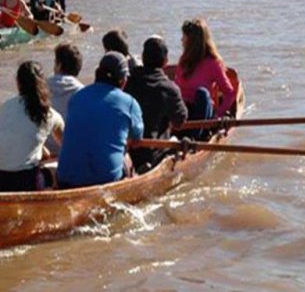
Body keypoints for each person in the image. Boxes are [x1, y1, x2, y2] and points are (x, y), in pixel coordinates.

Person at [57, 52, 144, 188]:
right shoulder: (130, 103)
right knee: (127, 157)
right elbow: (137, 139)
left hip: (65, 179)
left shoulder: (77, 97)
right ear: (123, 80)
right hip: (105, 180)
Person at [0, 61, 64, 192]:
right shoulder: (50, 115)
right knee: (56, 172)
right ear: (42, 84)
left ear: (18, 82)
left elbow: (14, 138)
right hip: (24, 182)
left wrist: (42, 150)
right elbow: (66, 148)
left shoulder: (5, 107)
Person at [125, 36, 188, 172]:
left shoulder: (128, 82)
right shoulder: (169, 88)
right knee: (177, 139)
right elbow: (180, 122)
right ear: (165, 61)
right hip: (153, 152)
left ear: (143, 57)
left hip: (129, 150)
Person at [174, 18, 236, 123]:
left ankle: (195, 136)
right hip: (184, 110)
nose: (181, 40)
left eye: (184, 37)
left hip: (202, 112)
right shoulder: (184, 60)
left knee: (201, 93)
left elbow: (229, 93)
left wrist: (218, 115)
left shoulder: (213, 63)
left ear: (192, 41)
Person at [45, 42, 84, 156]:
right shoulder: (83, 93)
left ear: (59, 65)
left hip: (43, 153)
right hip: (69, 155)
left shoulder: (40, 88)